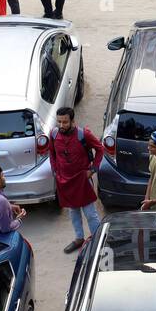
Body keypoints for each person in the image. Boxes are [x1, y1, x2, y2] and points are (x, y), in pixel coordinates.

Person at [50, 106, 103, 254]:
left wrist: (93, 170)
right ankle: (79, 238)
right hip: (64, 181)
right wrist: (55, 171)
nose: (61, 125)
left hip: (82, 179)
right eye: (59, 122)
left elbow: (100, 149)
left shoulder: (84, 134)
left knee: (90, 213)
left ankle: (97, 241)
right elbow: (52, 153)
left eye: (65, 122)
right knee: (73, 212)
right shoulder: (53, 134)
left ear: (73, 121)